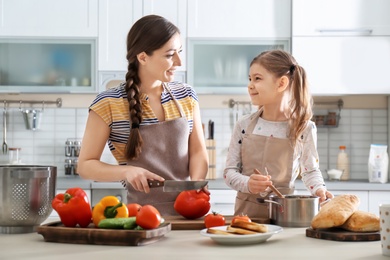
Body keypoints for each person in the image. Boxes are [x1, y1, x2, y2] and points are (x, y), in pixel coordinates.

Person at [78, 15, 208, 215]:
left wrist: (195, 186)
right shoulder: (108, 103)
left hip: (188, 214)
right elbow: (85, 165)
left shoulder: (186, 96)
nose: (179, 62)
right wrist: (126, 171)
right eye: (169, 55)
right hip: (140, 217)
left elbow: (198, 152)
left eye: (179, 52)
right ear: (143, 57)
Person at [224, 49, 333, 218]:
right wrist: (248, 184)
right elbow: (229, 172)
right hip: (246, 216)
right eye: (250, 79)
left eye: (257, 78)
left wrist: (319, 189)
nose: (250, 85)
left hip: (284, 216)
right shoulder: (244, 125)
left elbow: (310, 171)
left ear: (281, 83)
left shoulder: (304, 128)